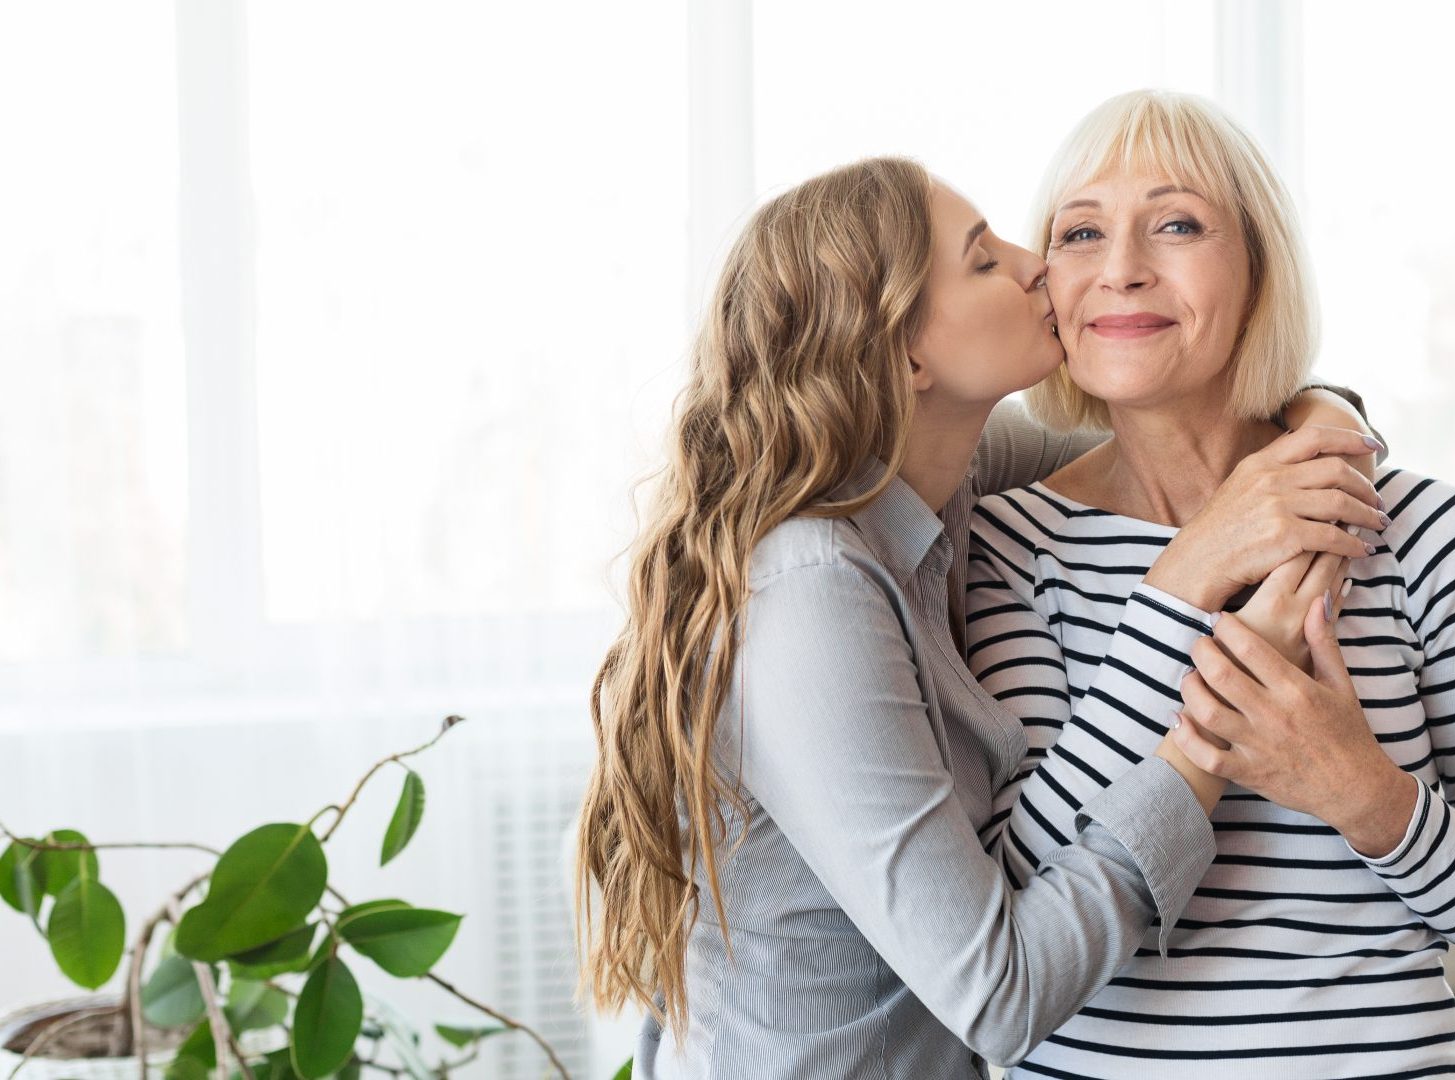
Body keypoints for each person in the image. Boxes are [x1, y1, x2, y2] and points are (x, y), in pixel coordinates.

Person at [577, 155, 1384, 1078]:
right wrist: (1209, 717)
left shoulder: (935, 472)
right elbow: (1000, 996)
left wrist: (1327, 425)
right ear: (908, 355)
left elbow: (1186, 441)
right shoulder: (810, 588)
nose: (1035, 261)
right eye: (983, 259)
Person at [967, 89, 1455, 1079]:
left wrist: (1366, 796)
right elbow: (1014, 900)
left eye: (1178, 223)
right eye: (1080, 232)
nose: (1121, 268)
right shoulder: (1004, 547)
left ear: (1261, 265)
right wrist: (1185, 580)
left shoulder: (1433, 536)